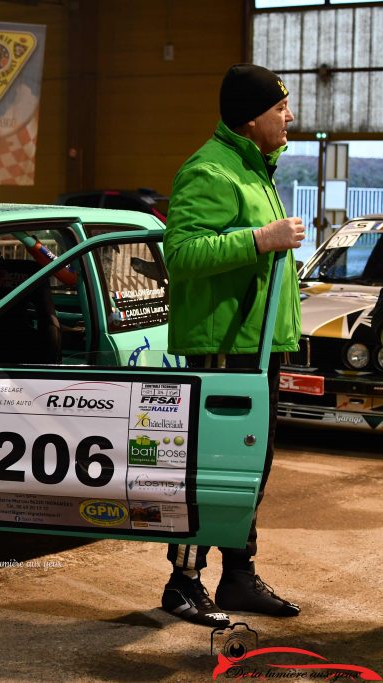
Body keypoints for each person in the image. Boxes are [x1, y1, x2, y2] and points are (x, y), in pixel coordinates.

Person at [160, 63, 304, 627]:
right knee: (213, 470)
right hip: (224, 352)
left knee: (250, 469)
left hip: (256, 350)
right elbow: (183, 256)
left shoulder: (253, 170)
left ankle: (238, 577)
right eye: (279, 108)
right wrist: (260, 238)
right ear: (251, 118)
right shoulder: (209, 172)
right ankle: (183, 582)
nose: (288, 116)